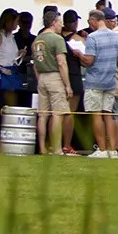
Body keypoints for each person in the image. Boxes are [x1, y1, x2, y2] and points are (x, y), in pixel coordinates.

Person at [71, 8, 118, 158]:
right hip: (110, 80)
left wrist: (79, 54)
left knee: (96, 115)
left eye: (89, 21)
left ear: (94, 20)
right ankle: (112, 150)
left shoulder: (92, 37)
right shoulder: (115, 36)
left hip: (95, 81)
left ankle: (102, 149)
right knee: (108, 115)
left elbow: (89, 61)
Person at [29, 10, 71, 155]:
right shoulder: (57, 39)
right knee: (58, 114)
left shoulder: (37, 40)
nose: (62, 25)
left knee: (42, 115)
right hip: (55, 77)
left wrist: (39, 79)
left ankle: (42, 148)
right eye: (60, 22)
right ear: (53, 23)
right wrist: (67, 85)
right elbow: (61, 63)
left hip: (41, 77)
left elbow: (35, 64)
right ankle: (57, 148)